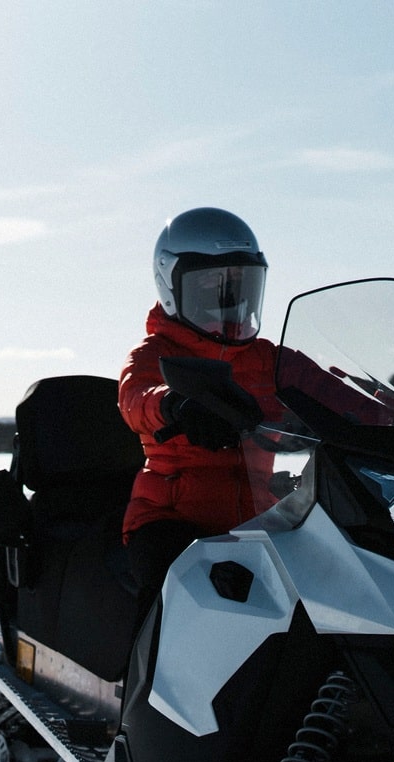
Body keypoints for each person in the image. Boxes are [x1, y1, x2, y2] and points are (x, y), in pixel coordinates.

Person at [118, 207, 285, 602]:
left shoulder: (269, 359)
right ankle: (144, 663)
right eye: (212, 288)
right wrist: (176, 405)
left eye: (240, 286)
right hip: (170, 519)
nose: (229, 302)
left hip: (258, 520)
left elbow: (325, 389)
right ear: (172, 286)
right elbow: (134, 397)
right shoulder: (156, 354)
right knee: (171, 585)